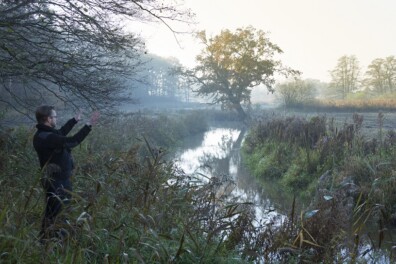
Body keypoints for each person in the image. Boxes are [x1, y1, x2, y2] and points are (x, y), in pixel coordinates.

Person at [33, 105, 99, 241]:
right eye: (55, 117)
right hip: (56, 181)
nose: (56, 119)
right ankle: (51, 242)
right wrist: (89, 125)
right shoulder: (46, 137)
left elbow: (61, 133)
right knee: (57, 213)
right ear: (48, 118)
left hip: (59, 180)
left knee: (55, 212)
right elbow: (72, 141)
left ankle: (48, 241)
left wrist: (74, 120)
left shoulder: (45, 134)